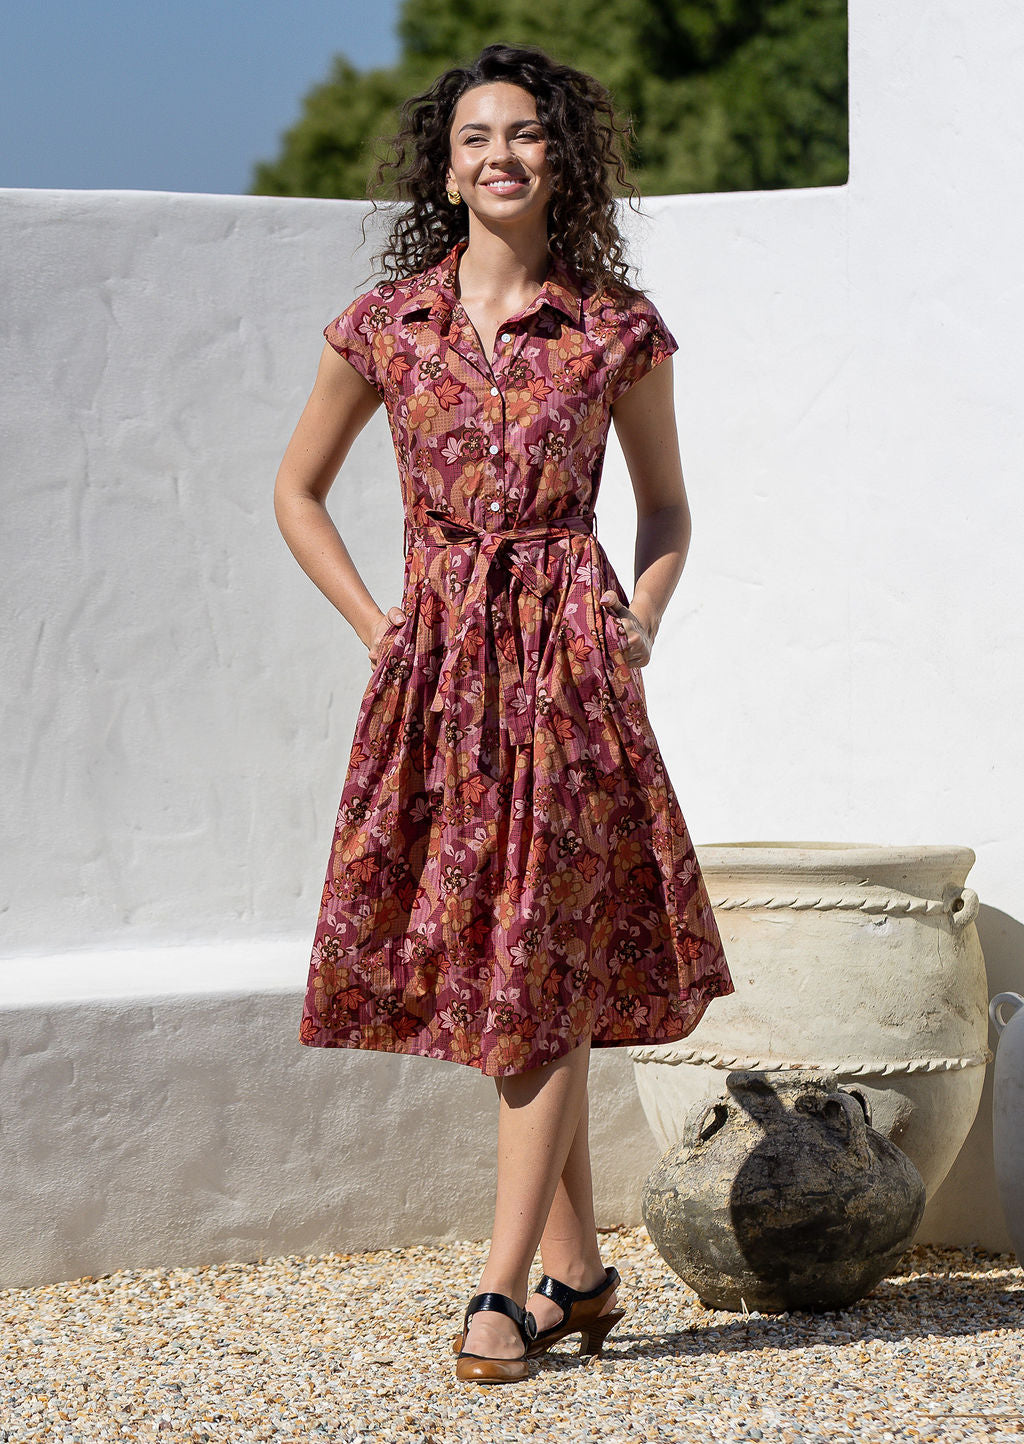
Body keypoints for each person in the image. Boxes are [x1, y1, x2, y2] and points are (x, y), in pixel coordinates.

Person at [274, 42, 734, 1385]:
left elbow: (664, 507)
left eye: (525, 134)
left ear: (559, 157)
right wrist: (382, 628)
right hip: (441, 687)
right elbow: (297, 492)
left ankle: (502, 1291)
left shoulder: (613, 329)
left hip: (570, 677)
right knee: (504, 962)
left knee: (532, 966)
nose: (500, 155)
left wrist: (637, 620)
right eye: (476, 136)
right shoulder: (385, 327)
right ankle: (583, 1273)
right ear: (445, 161)